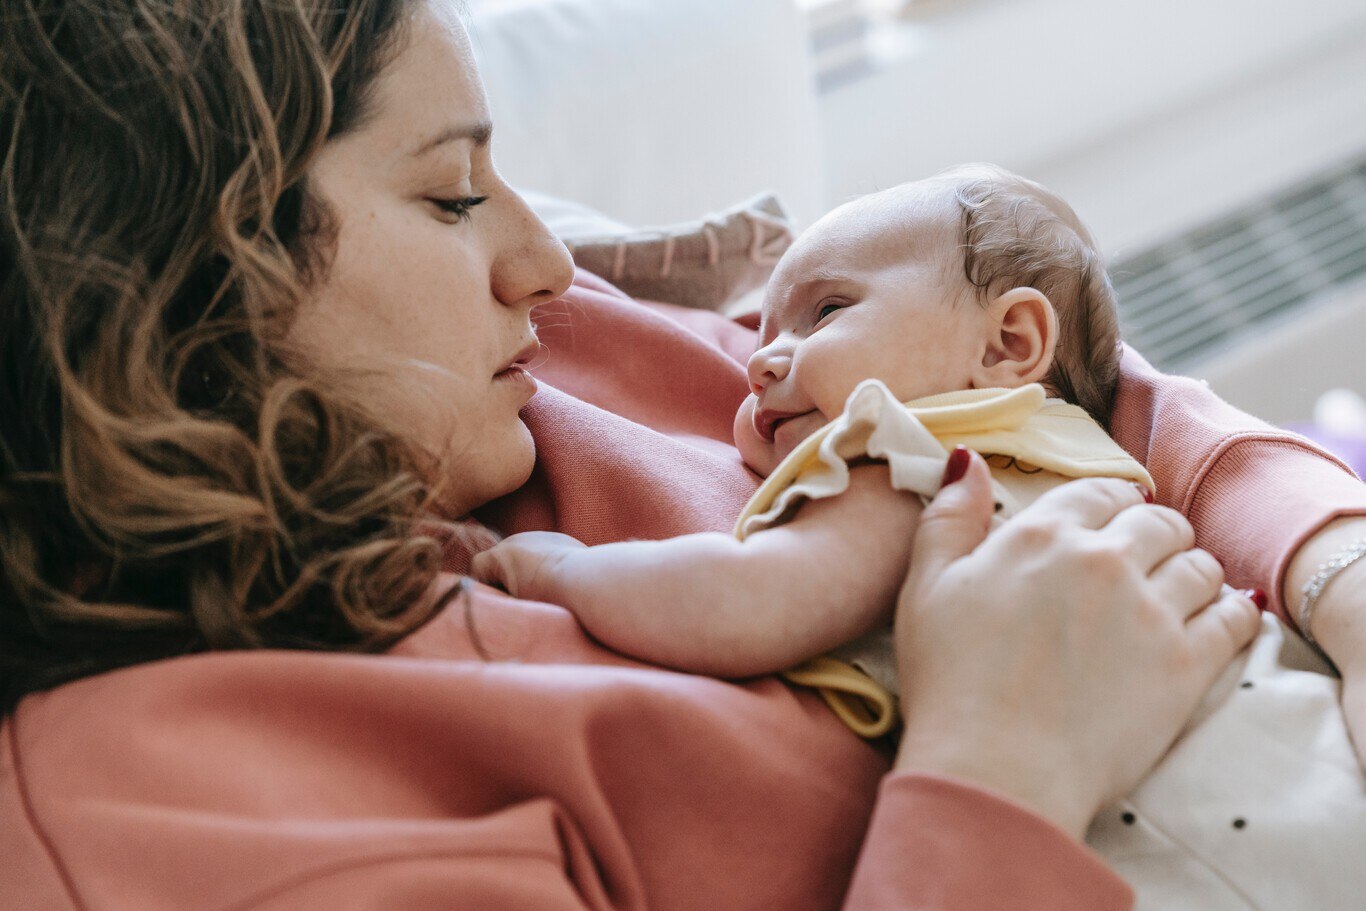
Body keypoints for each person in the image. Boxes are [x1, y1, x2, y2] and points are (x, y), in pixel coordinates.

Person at [1, 2, 1364, 909]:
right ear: (185, 273)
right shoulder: (163, 802)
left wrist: (1334, 567)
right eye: (451, 192)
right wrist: (1002, 768)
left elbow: (1063, 381)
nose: (544, 261)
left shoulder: (548, 342)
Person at [474, 166, 1366, 908]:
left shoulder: (908, 454)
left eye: (824, 313)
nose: (759, 357)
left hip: (1201, 831)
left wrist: (569, 573)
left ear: (1011, 342)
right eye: (766, 329)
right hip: (1310, 757)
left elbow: (754, 599)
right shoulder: (1083, 454)